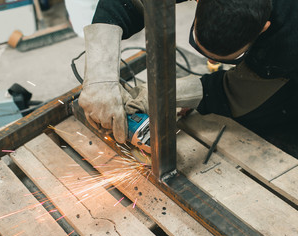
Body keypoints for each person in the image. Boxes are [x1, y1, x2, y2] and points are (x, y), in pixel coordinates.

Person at [78, 0, 298, 156]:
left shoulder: (288, 39)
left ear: (263, 28)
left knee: (270, 122)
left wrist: (162, 96)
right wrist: (100, 78)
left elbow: (241, 94)